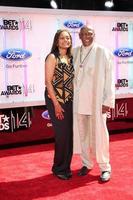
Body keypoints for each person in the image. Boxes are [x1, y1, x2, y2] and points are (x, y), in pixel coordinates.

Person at [73, 25, 115, 182]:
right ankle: (86, 163)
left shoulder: (103, 52)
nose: (86, 36)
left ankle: (105, 167)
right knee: (82, 134)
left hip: (97, 103)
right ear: (79, 35)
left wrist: (107, 101)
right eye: (83, 34)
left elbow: (110, 78)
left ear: (94, 34)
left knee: (100, 136)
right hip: (79, 103)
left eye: (89, 33)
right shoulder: (75, 52)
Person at [45, 29, 74, 180]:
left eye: (68, 38)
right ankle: (58, 168)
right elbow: (48, 83)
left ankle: (65, 166)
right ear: (57, 41)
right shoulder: (52, 57)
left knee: (69, 135)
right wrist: (56, 105)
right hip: (55, 100)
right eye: (62, 38)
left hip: (69, 100)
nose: (65, 41)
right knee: (62, 135)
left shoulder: (71, 57)